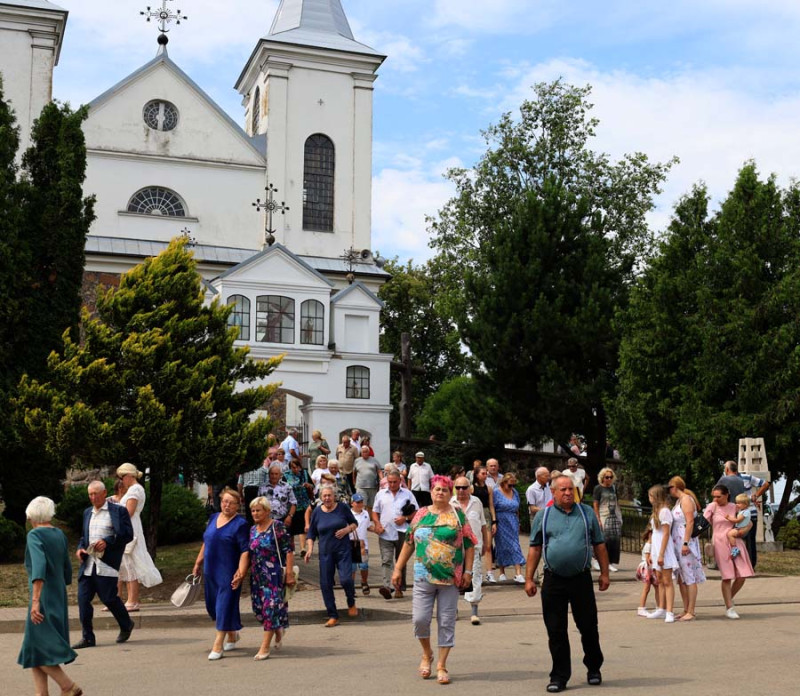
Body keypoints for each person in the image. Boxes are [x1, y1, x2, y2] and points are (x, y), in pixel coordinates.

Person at [524, 475, 609, 693]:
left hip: (581, 578)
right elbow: (534, 548)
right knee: (556, 630)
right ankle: (559, 676)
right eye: (562, 489)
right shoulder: (543, 516)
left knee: (588, 627)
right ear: (553, 492)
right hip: (553, 580)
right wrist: (529, 578)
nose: (568, 493)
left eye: (571, 489)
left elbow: (599, 545)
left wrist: (605, 574)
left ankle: (593, 668)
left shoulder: (586, 513)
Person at [391, 475, 476, 685]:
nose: (440, 493)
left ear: (450, 494)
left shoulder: (458, 515)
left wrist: (468, 572)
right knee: (420, 620)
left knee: (446, 622)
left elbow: (470, 544)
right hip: (423, 576)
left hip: (450, 579)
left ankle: (441, 665)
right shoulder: (421, 514)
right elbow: (409, 542)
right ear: (431, 492)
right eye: (437, 489)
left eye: (445, 490)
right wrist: (398, 569)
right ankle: (427, 653)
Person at [17, 496, 82, 696]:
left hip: (42, 597)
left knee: (37, 647)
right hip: (57, 594)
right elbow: (66, 570)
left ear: (32, 516)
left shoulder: (35, 535)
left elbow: (39, 568)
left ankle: (68, 686)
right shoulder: (59, 535)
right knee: (34, 650)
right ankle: (41, 694)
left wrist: (36, 601)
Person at [72, 481, 135, 649]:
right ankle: (88, 638)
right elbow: (83, 538)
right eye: (90, 495)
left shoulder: (118, 511)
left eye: (96, 494)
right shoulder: (87, 513)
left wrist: (107, 542)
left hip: (106, 564)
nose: (93, 498)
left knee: (109, 598)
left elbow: (127, 534)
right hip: (88, 565)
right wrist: (80, 549)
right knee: (83, 600)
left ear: (104, 493)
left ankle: (126, 624)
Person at [192, 487, 250, 659]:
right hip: (210, 570)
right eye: (224, 501)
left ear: (237, 506)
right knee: (212, 606)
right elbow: (206, 542)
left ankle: (218, 645)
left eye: (231, 503)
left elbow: (245, 551)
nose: (227, 505)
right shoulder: (213, 518)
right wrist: (197, 562)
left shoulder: (240, 524)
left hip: (228, 572)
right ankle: (232, 634)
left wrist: (241, 572)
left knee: (223, 605)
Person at [305, 484, 359, 626]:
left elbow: (354, 523)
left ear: (334, 496)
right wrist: (309, 549)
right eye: (325, 496)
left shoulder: (342, 508)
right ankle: (333, 615)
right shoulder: (317, 512)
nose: (327, 498)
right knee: (325, 584)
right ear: (321, 497)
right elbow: (311, 534)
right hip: (325, 553)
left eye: (330, 495)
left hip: (343, 551)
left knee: (346, 579)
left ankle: (351, 601)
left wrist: (347, 529)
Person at [248, 496, 295, 660]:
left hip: (273, 576)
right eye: (253, 510)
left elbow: (289, 550)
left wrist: (289, 574)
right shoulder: (253, 530)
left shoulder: (277, 527)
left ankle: (264, 647)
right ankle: (278, 629)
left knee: (270, 609)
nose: (255, 513)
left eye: (258, 510)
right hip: (256, 577)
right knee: (259, 611)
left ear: (267, 511)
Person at [115, 463, 162, 612]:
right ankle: (130, 598)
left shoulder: (135, 489)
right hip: (128, 527)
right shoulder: (133, 490)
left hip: (131, 528)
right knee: (127, 564)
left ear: (129, 476)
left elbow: (128, 512)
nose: (121, 481)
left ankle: (133, 599)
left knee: (130, 564)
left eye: (122, 477)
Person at [703, 484, 755, 619]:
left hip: (735, 542)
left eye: (718, 496)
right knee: (727, 576)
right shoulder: (712, 507)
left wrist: (744, 530)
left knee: (742, 575)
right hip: (720, 543)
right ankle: (729, 607)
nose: (715, 499)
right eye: (713, 496)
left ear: (726, 495)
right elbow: (701, 523)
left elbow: (748, 521)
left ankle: (728, 599)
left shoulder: (734, 506)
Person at [372, 468, 418, 600]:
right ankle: (387, 587)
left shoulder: (407, 494)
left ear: (400, 481)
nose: (392, 485)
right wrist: (377, 524)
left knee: (400, 560)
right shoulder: (380, 494)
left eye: (395, 482)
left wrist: (405, 518)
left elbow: (416, 512)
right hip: (385, 532)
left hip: (402, 532)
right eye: (390, 482)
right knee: (386, 560)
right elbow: (375, 512)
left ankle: (399, 588)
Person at [452, 476, 490, 625]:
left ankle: (474, 611)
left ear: (470, 489)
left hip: (474, 547)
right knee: (454, 579)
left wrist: (486, 543)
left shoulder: (477, 502)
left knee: (475, 578)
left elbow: (483, 524)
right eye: (458, 487)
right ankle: (453, 609)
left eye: (464, 487)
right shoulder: (450, 503)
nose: (461, 490)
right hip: (455, 548)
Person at [668, 476, 706, 621]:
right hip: (678, 541)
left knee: (689, 576)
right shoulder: (679, 501)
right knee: (682, 577)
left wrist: (685, 543)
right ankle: (685, 609)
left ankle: (691, 610)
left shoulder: (686, 500)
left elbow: (690, 522)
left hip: (685, 541)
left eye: (670, 487)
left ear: (675, 487)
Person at [717, 459, 768, 566]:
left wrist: (756, 495)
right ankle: (743, 565)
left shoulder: (739, 478)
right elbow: (765, 484)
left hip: (742, 514)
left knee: (743, 540)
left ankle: (745, 565)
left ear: (727, 469)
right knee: (742, 540)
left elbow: (765, 484)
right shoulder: (736, 479)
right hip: (742, 513)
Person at [645, 485, 678, 622]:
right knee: (660, 580)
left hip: (664, 550)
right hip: (656, 549)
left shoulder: (664, 511)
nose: (649, 498)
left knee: (667, 580)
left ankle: (669, 611)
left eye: (651, 496)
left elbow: (666, 534)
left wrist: (661, 554)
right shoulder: (656, 512)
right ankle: (661, 608)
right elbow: (653, 534)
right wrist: (650, 552)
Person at [492, 473, 526, 583]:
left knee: (515, 545)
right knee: (501, 545)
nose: (512, 487)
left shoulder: (514, 492)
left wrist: (518, 521)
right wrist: (494, 522)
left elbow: (517, 508)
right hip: (501, 520)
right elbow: (493, 507)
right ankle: (502, 572)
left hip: (512, 520)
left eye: (513, 485)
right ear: (504, 483)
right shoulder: (496, 492)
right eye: (509, 485)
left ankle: (518, 573)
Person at [526, 467, 552, 585]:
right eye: (546, 475)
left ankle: (547, 574)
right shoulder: (531, 489)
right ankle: (541, 577)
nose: (549, 477)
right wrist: (545, 510)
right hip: (537, 519)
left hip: (550, 518)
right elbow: (532, 508)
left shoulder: (549, 487)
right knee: (538, 546)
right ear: (539, 476)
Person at [592, 467, 622, 572]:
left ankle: (610, 562)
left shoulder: (613, 488)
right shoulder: (598, 488)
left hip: (614, 515)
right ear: (602, 478)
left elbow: (617, 502)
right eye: (607, 477)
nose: (609, 479)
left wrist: (620, 516)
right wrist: (597, 518)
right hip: (603, 514)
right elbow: (595, 504)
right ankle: (596, 559)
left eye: (611, 477)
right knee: (604, 538)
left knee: (614, 539)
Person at [284, 458, 313, 557]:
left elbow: (312, 485)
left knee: (302, 526)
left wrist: (308, 485)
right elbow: (283, 488)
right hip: (291, 504)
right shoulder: (286, 475)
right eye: (293, 468)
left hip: (304, 503)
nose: (296, 469)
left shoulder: (304, 473)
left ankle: (302, 548)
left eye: (297, 467)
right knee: (291, 528)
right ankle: (292, 549)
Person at [258, 463, 297, 529]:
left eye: (276, 474)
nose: (274, 476)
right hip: (266, 519)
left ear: (280, 475)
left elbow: (294, 503)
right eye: (272, 474)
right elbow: (258, 504)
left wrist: (289, 516)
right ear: (269, 475)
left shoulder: (287, 487)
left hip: (282, 519)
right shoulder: (262, 487)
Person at [350, 493, 374, 595]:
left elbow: (369, 526)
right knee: (352, 568)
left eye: (361, 502)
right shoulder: (348, 514)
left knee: (364, 566)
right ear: (352, 503)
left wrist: (378, 529)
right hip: (351, 544)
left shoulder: (366, 513)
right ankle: (351, 588)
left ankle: (364, 582)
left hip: (364, 545)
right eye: (357, 502)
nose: (360, 504)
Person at [635, 528, 660, 617]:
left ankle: (659, 607)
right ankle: (641, 608)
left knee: (657, 588)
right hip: (647, 569)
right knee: (646, 588)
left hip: (650, 568)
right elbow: (647, 559)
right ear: (650, 534)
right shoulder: (649, 545)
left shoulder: (652, 544)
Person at [238, 458, 270, 524]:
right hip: (259, 490)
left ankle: (250, 528)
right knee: (260, 509)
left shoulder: (244, 470)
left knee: (249, 512)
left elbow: (239, 484)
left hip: (248, 491)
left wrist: (241, 495)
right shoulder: (264, 469)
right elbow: (267, 483)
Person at [353, 444, 381, 510]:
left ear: (368, 452)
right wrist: (354, 482)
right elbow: (354, 473)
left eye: (366, 452)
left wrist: (382, 480)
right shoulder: (357, 461)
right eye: (363, 452)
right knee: (361, 505)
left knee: (372, 505)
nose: (364, 453)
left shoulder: (374, 460)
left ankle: (370, 519)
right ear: (361, 453)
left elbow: (379, 471)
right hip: (361, 486)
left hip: (372, 486)